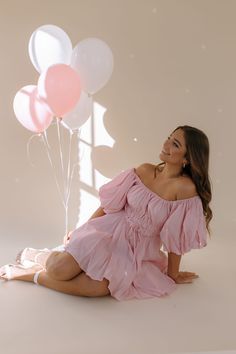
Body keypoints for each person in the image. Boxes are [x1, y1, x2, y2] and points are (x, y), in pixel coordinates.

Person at [0, 125, 212, 301]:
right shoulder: (145, 170)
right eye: (168, 138)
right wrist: (82, 230)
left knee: (97, 288)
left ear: (188, 158)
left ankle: (28, 275)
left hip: (136, 251)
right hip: (108, 231)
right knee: (59, 270)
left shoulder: (185, 190)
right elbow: (110, 205)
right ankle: (34, 255)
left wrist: (172, 274)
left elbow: (176, 237)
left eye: (175, 144)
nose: (166, 145)